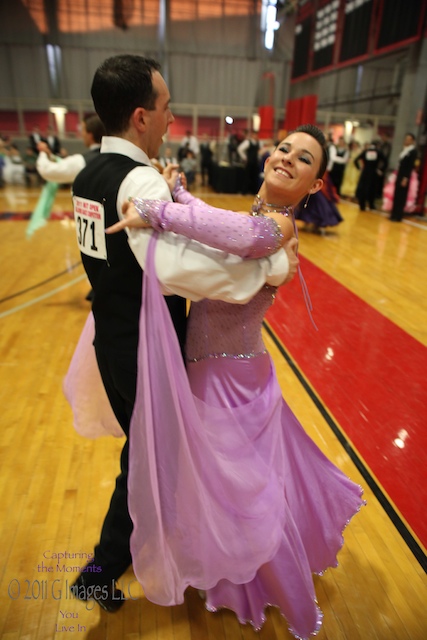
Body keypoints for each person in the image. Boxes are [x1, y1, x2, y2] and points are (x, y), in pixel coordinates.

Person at [102, 125, 364, 639]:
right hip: (218, 369)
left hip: (230, 380)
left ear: (315, 186)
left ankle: (262, 580)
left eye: (304, 159)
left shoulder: (277, 229)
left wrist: (158, 209)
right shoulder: (258, 216)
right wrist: (179, 191)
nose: (287, 158)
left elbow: (233, 235)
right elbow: (219, 223)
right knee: (223, 489)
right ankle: (230, 574)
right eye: (285, 148)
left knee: (239, 494)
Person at [68, 54, 298, 614]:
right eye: (168, 109)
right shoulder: (139, 178)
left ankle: (122, 563)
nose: (173, 119)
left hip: (110, 340)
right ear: (142, 116)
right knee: (152, 465)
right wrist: (261, 272)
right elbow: (173, 267)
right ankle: (115, 567)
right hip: (148, 350)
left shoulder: (87, 175)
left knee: (144, 461)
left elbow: (106, 258)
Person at [36, 114, 105, 185]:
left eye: (83, 130)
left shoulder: (82, 161)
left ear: (90, 135)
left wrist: (43, 152)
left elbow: (47, 171)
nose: (82, 134)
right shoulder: (114, 157)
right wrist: (50, 155)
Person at [389, 133, 418, 222]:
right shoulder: (404, 150)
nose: (407, 140)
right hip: (399, 174)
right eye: (406, 139)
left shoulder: (413, 151)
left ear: (412, 141)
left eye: (409, 139)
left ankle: (398, 216)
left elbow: (410, 167)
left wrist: (405, 178)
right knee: (397, 194)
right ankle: (393, 214)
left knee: (401, 196)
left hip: (405, 176)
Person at [354, 141, 385, 211]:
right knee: (372, 189)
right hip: (374, 173)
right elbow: (385, 161)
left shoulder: (366, 151)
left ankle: (362, 205)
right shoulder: (378, 152)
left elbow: (356, 160)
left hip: (365, 173)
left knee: (363, 188)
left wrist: (359, 168)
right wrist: (381, 170)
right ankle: (371, 205)